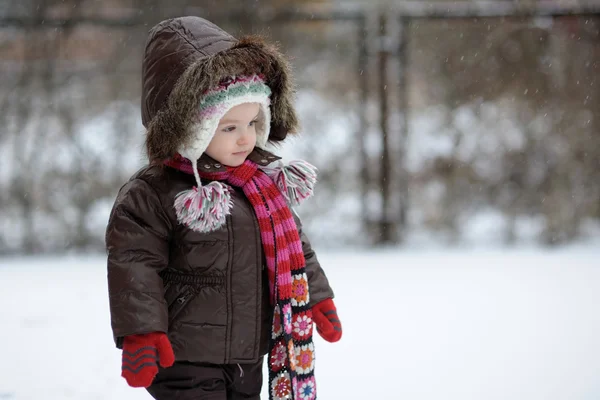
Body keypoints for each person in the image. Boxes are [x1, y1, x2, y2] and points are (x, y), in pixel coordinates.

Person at [105, 15, 342, 400]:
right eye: (228, 127)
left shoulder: (260, 184)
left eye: (252, 122)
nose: (246, 138)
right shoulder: (154, 193)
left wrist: (316, 294)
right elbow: (133, 264)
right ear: (189, 128)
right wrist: (142, 331)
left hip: (248, 354)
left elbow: (295, 244)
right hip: (184, 356)